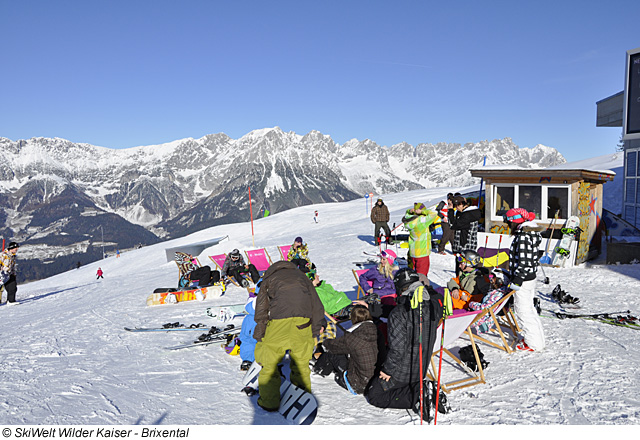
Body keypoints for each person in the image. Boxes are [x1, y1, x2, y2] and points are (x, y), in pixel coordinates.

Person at [365, 268, 444, 421]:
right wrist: (371, 309)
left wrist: (387, 370)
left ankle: (418, 397)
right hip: (421, 368)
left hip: (401, 373)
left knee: (375, 394)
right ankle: (425, 390)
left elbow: (398, 349)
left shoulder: (399, 313)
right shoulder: (434, 305)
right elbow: (410, 308)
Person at [253, 260, 325, 412]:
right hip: (303, 324)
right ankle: (303, 400)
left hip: (278, 324)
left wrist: (260, 332)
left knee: (270, 364)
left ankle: (269, 402)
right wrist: (316, 329)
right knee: (301, 365)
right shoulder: (302, 276)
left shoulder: (269, 278)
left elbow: (261, 308)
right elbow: (317, 305)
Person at [312, 305, 379, 395]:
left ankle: (318, 369)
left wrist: (324, 343)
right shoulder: (376, 332)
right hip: (375, 380)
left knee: (332, 353)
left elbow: (333, 346)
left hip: (358, 384)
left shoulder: (353, 337)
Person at [504, 207, 545, 352]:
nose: (508, 226)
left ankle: (534, 344)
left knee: (523, 312)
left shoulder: (523, 236)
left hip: (524, 279)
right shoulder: (529, 234)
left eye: (509, 223)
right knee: (529, 309)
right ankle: (537, 340)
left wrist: (517, 281)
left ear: (515, 222)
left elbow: (525, 262)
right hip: (529, 278)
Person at [402, 202, 438, 278]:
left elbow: (407, 214)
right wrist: (422, 211)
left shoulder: (410, 221)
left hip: (413, 251)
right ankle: (420, 288)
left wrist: (409, 211)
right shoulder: (421, 221)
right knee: (421, 276)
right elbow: (434, 213)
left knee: (413, 274)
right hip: (422, 252)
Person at [451, 196, 481, 275]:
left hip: (464, 248)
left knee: (462, 271)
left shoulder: (467, 216)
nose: (456, 208)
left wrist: (450, 210)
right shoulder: (471, 213)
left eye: (456, 206)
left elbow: (452, 224)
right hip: (470, 247)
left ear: (462, 204)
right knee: (468, 271)